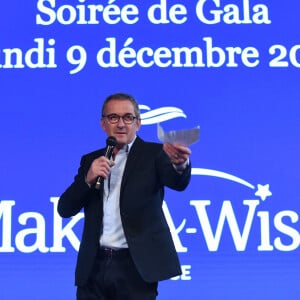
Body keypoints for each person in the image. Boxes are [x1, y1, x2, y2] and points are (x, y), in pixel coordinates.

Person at [58, 92, 192, 300]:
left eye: (128, 118)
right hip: (93, 267)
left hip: (135, 267)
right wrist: (88, 178)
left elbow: (177, 182)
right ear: (103, 124)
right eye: (113, 118)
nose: (121, 124)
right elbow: (65, 208)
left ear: (138, 124)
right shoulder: (91, 160)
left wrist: (180, 165)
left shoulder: (155, 154)